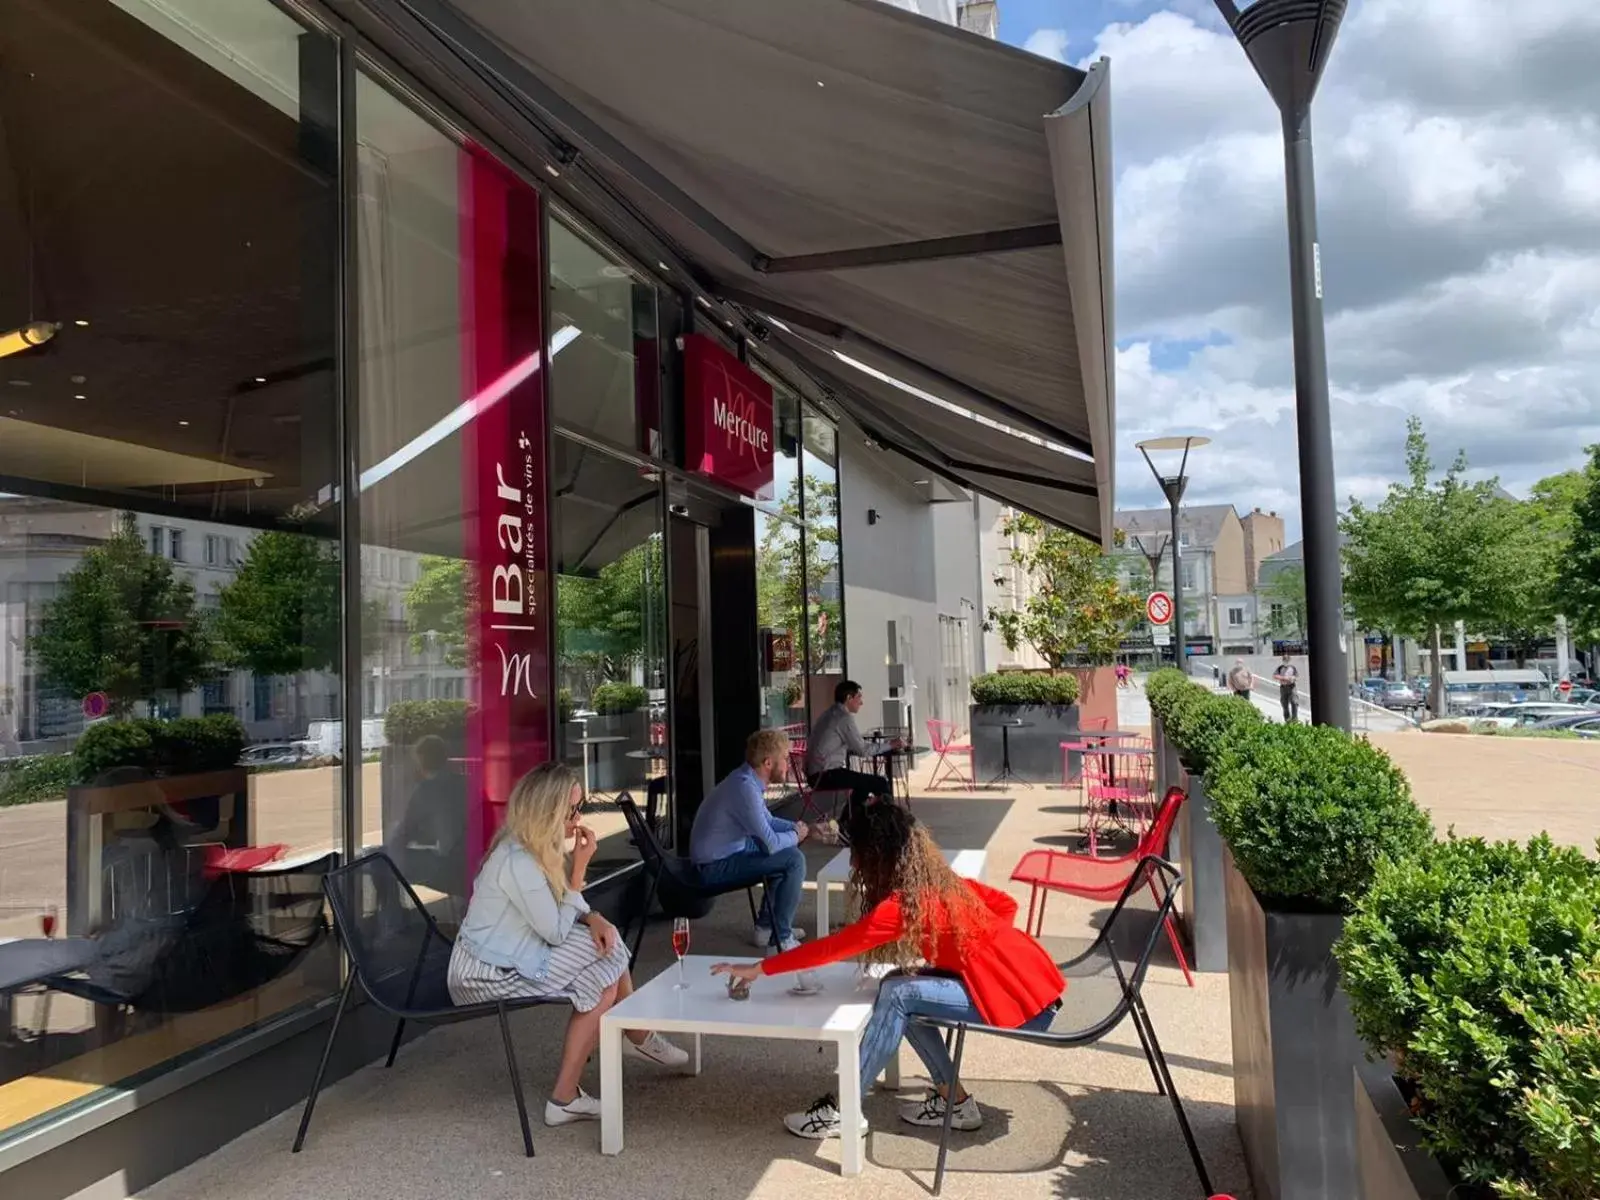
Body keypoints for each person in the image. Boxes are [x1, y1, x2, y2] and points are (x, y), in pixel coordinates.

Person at [713, 803, 1064, 1140]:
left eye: (858, 852)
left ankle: (844, 1110)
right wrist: (974, 961)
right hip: (1032, 984)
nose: (853, 861)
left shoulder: (899, 908)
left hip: (1023, 1003)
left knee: (899, 994)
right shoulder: (941, 880)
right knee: (900, 984)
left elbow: (832, 948)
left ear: (877, 856)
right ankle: (954, 1102)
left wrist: (760, 968)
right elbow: (1006, 905)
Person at [447, 762, 689, 1126]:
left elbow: (555, 912)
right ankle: (628, 1040)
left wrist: (593, 917)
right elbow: (555, 932)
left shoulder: (530, 848)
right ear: (548, 811)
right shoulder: (519, 862)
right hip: (483, 973)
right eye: (573, 809)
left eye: (580, 807)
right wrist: (578, 872)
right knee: (605, 961)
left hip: (513, 950)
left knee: (604, 949)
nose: (578, 817)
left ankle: (579, 1085)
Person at [690, 729, 811, 952]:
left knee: (783, 853)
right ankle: (781, 938)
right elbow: (772, 843)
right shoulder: (744, 788)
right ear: (767, 763)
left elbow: (769, 821)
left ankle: (767, 928)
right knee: (793, 859)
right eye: (784, 758)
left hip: (728, 852)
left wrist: (802, 828)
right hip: (711, 867)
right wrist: (796, 836)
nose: (788, 764)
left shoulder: (746, 781)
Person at [805, 680, 892, 814]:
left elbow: (852, 746)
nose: (861, 702)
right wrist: (891, 745)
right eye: (859, 697)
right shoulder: (843, 718)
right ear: (849, 698)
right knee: (880, 783)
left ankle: (849, 822)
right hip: (825, 775)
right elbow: (862, 750)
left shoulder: (830, 713)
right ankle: (890, 824)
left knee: (863, 785)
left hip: (817, 774)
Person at [1273, 655, 1300, 723]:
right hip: (1283, 688)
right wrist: (1283, 678)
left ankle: (1294, 719)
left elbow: (1297, 676)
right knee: (1284, 704)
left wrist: (1293, 678)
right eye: (1285, 660)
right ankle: (1287, 719)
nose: (1286, 661)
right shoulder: (1280, 668)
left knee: (1294, 702)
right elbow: (1275, 675)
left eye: (1287, 660)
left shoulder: (1292, 668)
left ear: (1289, 660)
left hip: (1292, 687)